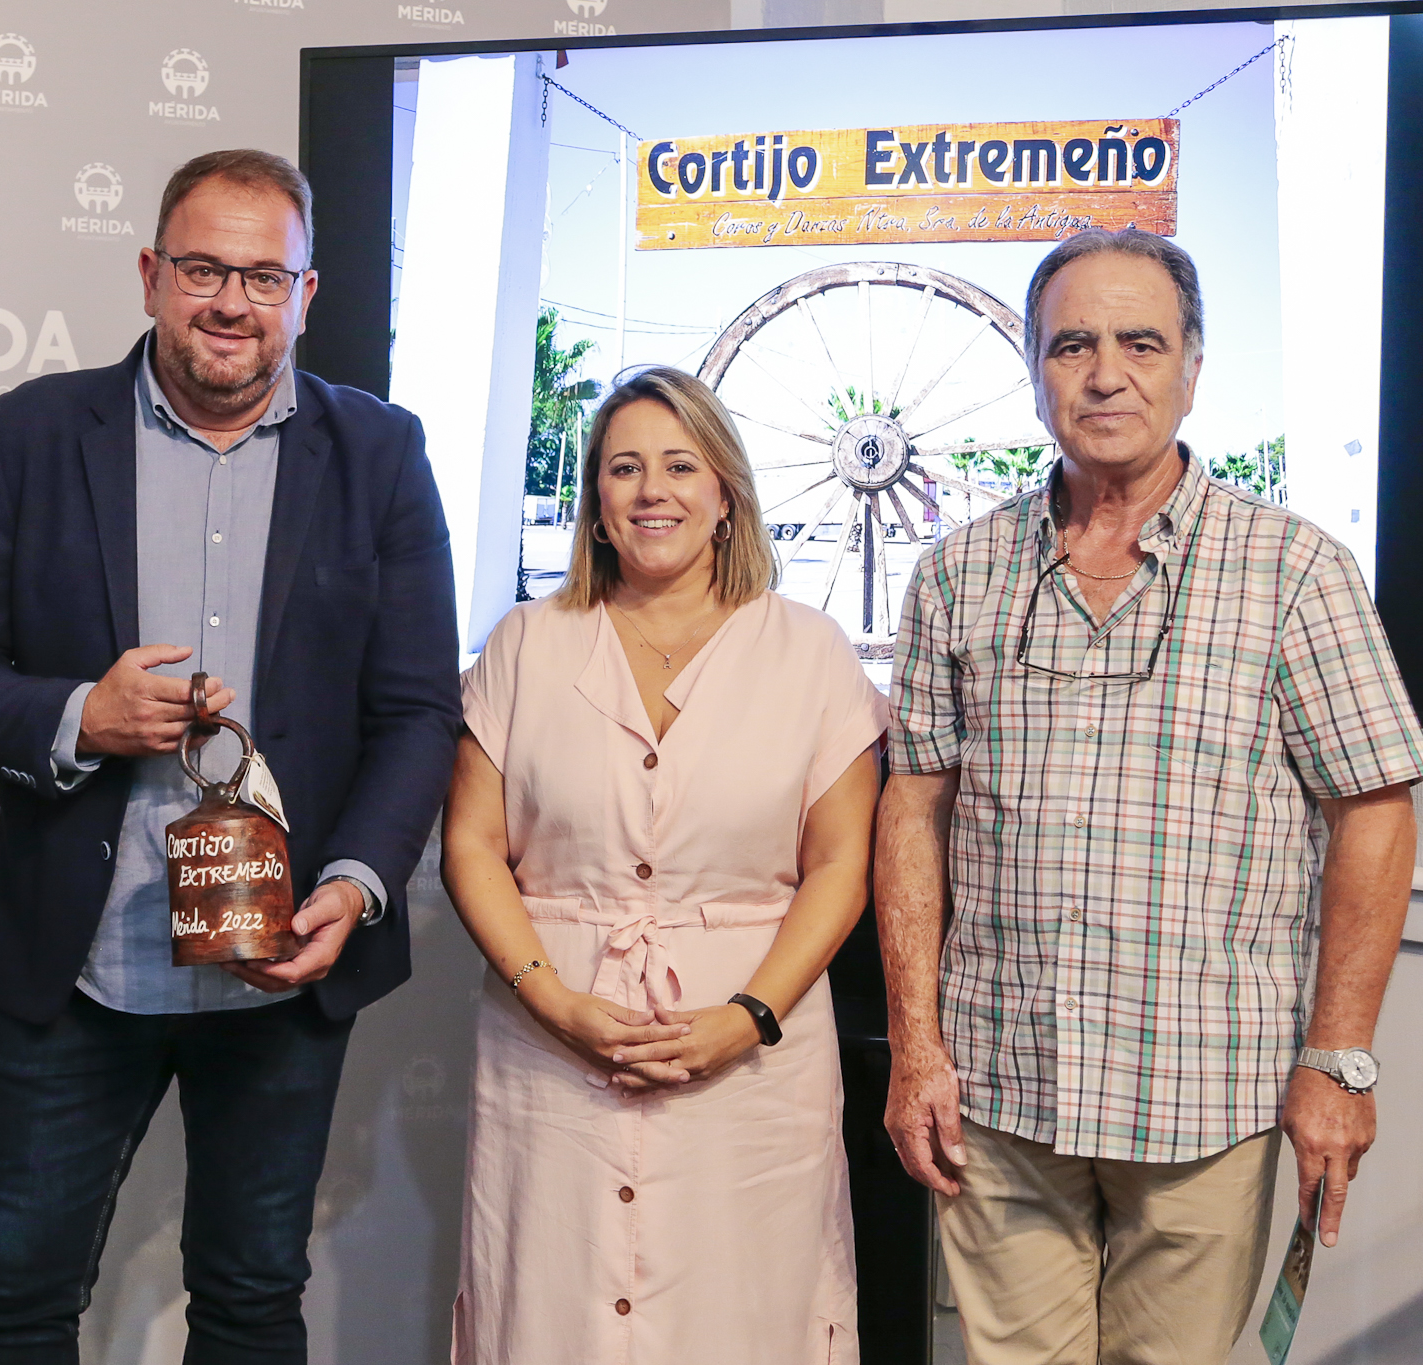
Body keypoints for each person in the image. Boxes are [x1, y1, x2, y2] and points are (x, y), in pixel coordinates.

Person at [0, 148, 460, 1364]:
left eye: (262, 277)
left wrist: (353, 887)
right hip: (84, 964)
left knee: (252, 1301)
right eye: (203, 269)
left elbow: (418, 711)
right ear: (151, 275)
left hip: (282, 961)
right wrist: (79, 718)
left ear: (304, 295)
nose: (230, 302)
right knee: (13, 1302)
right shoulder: (31, 435)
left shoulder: (379, 453)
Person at [879, 227, 1422, 1365]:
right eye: (1071, 345)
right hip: (1000, 1091)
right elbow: (912, 814)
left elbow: (1372, 812)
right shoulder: (957, 573)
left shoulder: (1295, 571)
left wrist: (1338, 1058)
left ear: (1192, 368)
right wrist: (915, 1047)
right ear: (1034, 370)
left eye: (1140, 342)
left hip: (1203, 1099)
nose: (1104, 374)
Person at [440, 366, 888, 1363]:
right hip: (549, 1048)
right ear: (595, 503)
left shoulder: (810, 653)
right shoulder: (525, 643)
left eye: (681, 466)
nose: (653, 491)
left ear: (725, 494)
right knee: (547, 1310)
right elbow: (470, 843)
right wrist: (553, 1001)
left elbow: (838, 866)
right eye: (624, 468)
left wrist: (748, 1016)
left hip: (753, 1060)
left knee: (745, 1314)